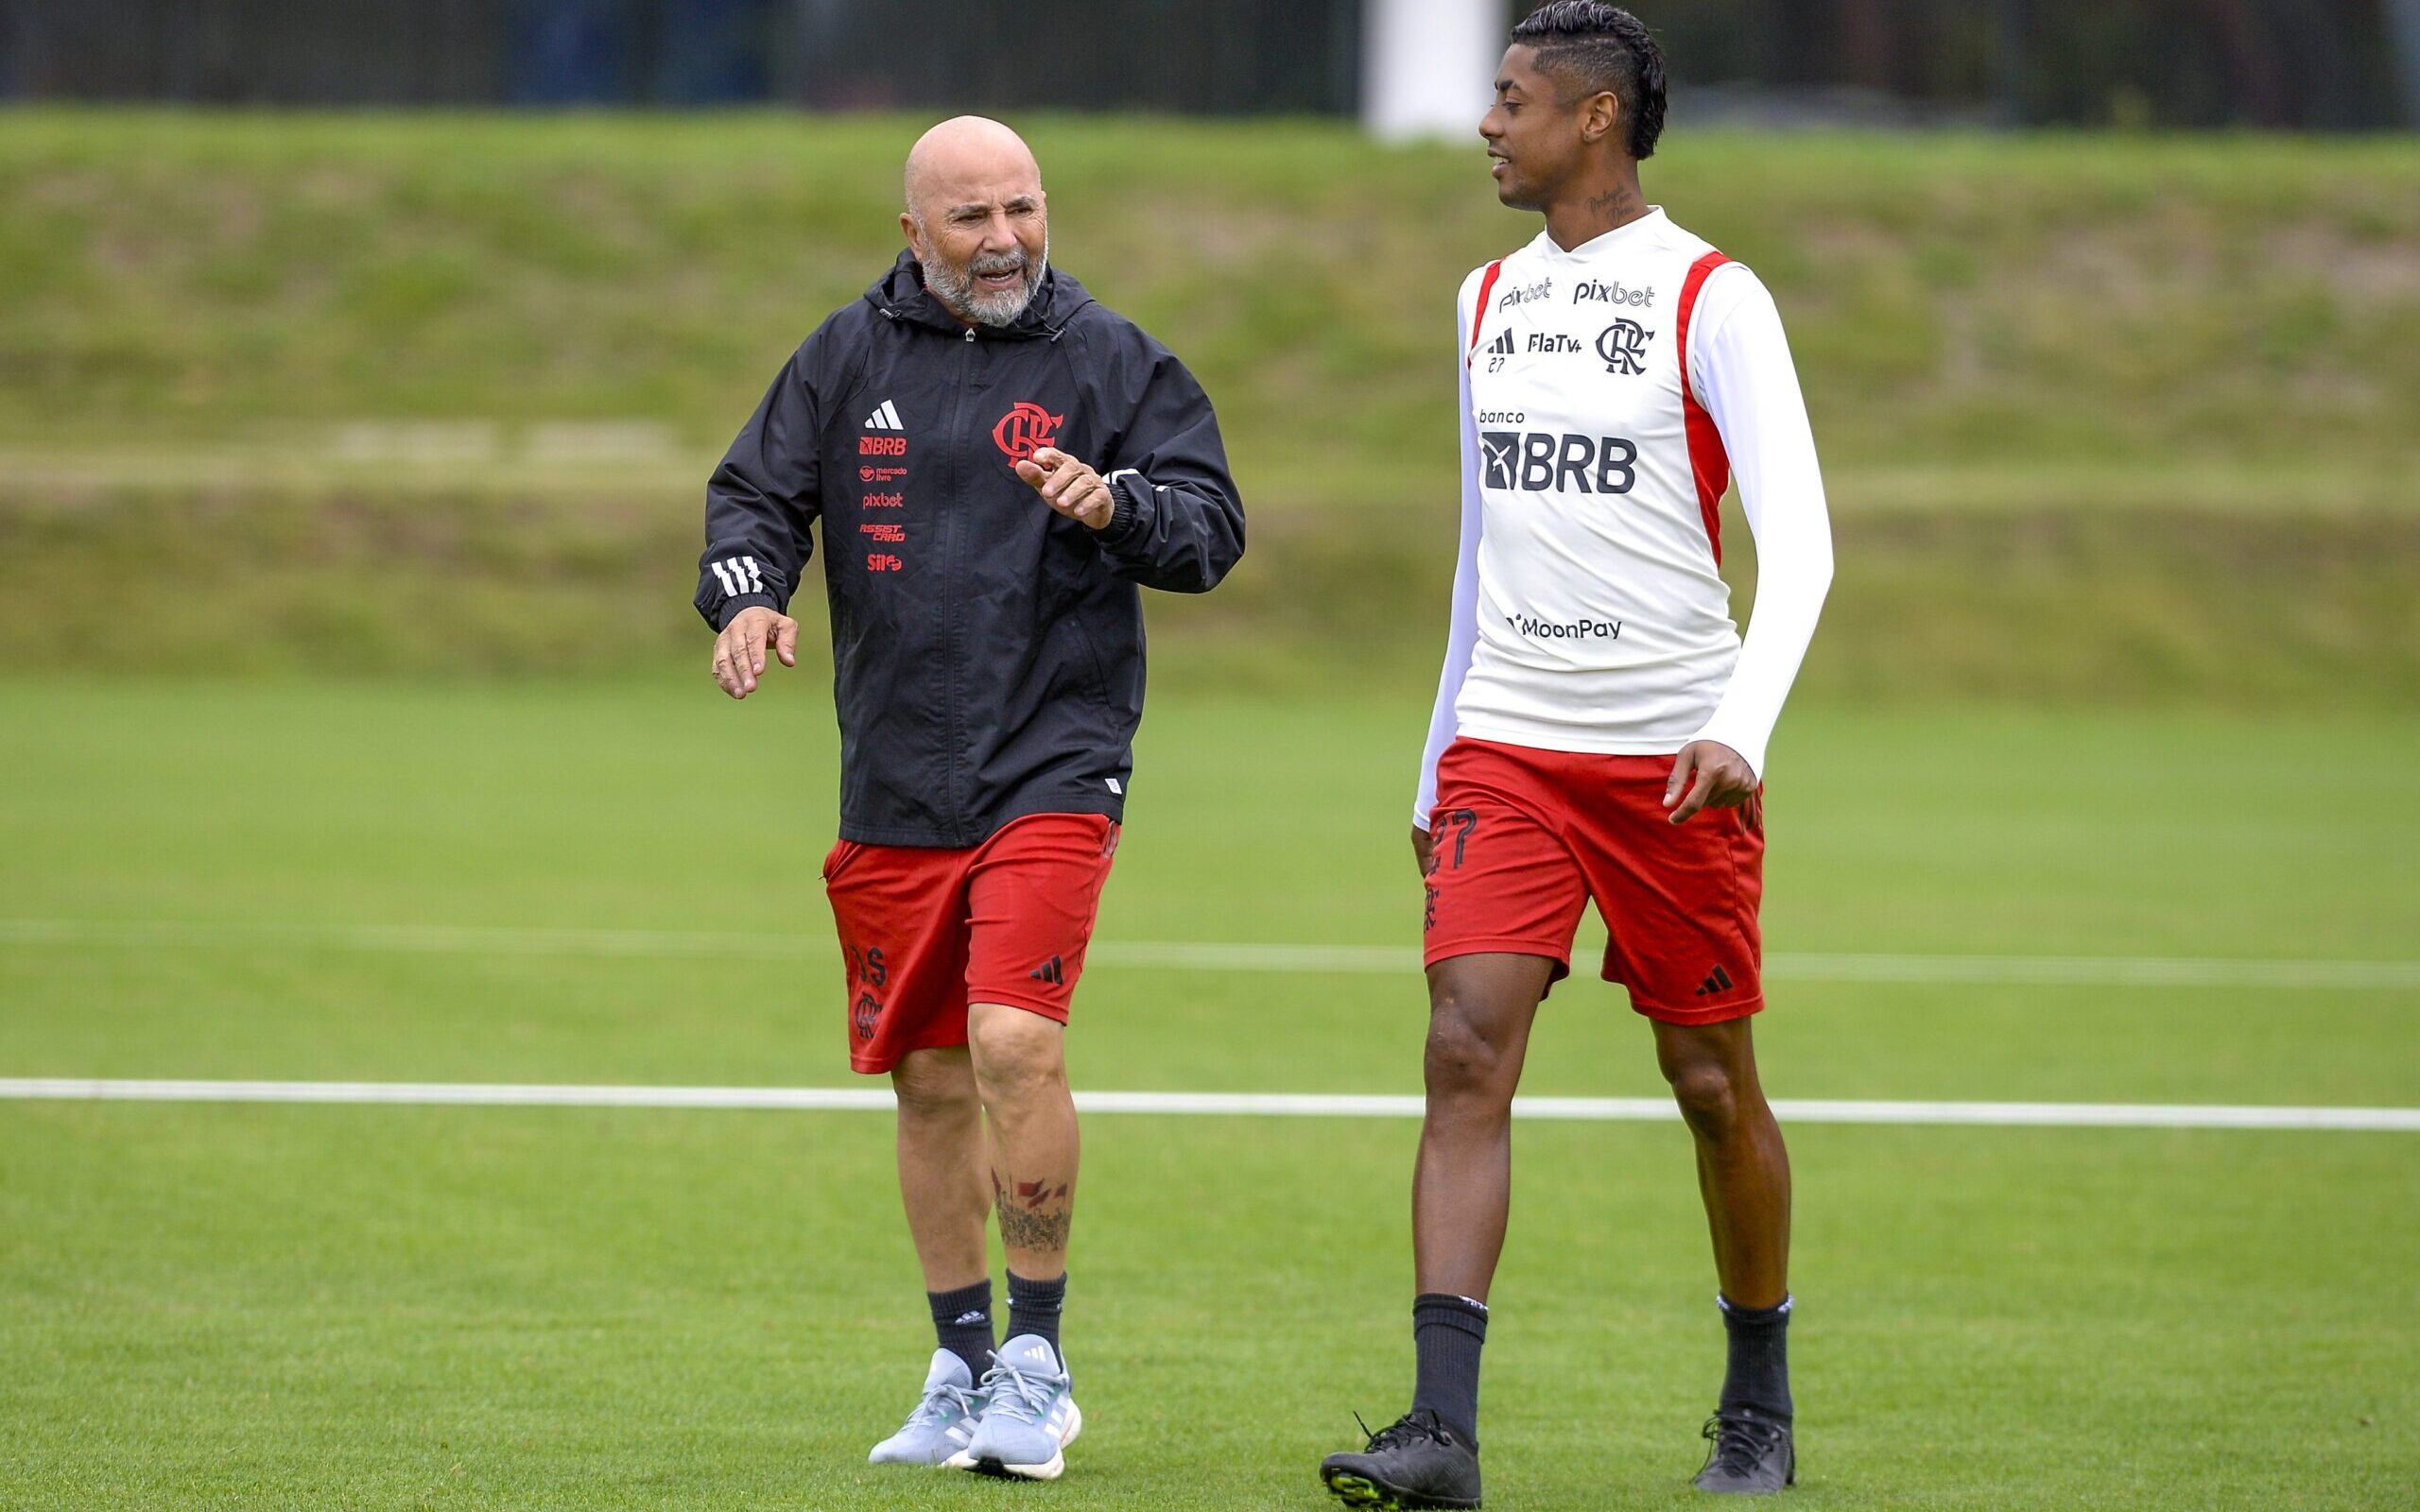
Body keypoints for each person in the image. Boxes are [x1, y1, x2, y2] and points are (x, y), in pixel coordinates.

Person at [1319, 5, 1833, 1504]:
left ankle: (1757, 1405)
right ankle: (1441, 1434)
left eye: (1513, 99)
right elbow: (1483, 552)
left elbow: (1798, 548)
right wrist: (1437, 757)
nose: (1488, 123)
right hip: (1512, 751)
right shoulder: (1484, 300)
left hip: (1676, 761)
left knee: (1708, 1077)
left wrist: (1740, 725)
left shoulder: (1712, 298)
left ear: (1595, 119)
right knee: (1465, 1044)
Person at [697, 115, 1243, 1482]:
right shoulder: (843, 356)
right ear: (912, 233)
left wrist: (1120, 509)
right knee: (931, 1080)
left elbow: (1212, 526)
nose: (1004, 240)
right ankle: (960, 1364)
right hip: (891, 768)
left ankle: (1040, 1362)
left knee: (1011, 1041)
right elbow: (751, 496)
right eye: (971, 218)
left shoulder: (1112, 359)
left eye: (1023, 209)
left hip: (1051, 758)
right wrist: (750, 594)